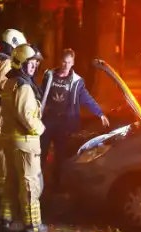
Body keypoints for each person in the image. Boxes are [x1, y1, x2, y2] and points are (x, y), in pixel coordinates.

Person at [40, 48, 109, 192]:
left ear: (73, 63)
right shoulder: (50, 75)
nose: (66, 65)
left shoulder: (77, 81)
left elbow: (86, 98)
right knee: (41, 151)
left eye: (69, 63)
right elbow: (40, 93)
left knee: (61, 155)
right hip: (47, 120)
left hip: (64, 123)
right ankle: (37, 182)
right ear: (60, 61)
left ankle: (56, 184)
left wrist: (100, 113)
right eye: (64, 62)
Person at [0, 44, 47, 232]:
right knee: (29, 182)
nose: (34, 67)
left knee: (10, 180)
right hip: (25, 141)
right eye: (31, 63)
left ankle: (6, 218)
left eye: (36, 64)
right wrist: (40, 128)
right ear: (20, 63)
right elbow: (26, 116)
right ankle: (32, 224)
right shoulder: (24, 86)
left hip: (10, 139)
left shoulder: (10, 82)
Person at [0, 29, 27, 200]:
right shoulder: (5, 62)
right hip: (1, 110)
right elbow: (6, 87)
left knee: (1, 150)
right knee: (4, 150)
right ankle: (3, 189)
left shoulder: (2, 60)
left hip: (0, 110)